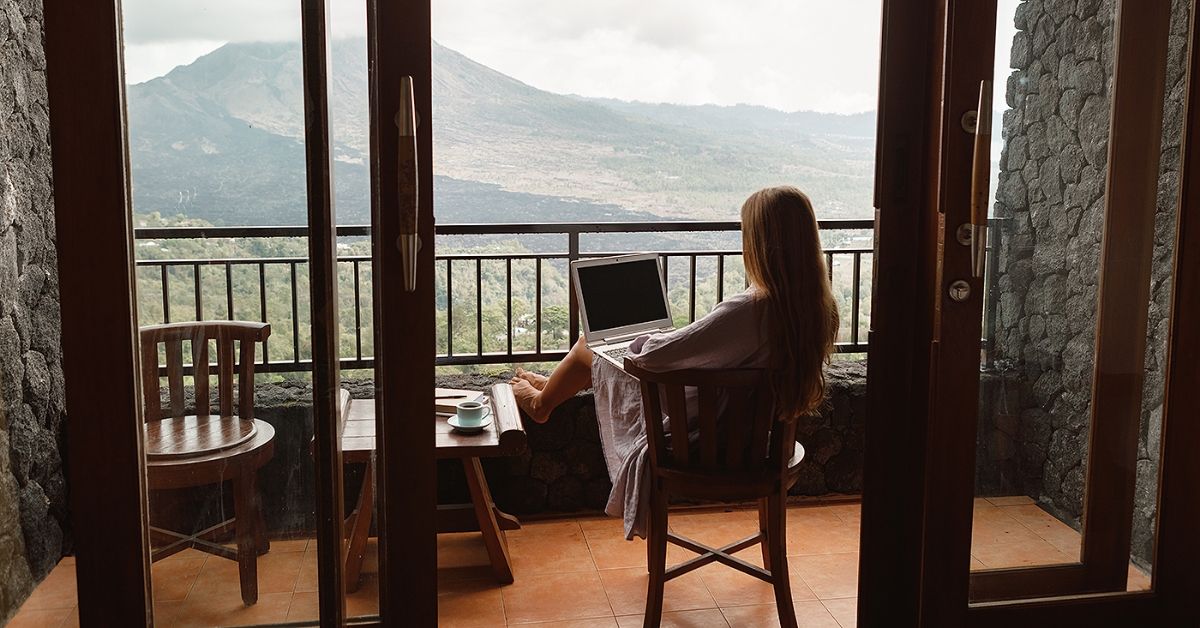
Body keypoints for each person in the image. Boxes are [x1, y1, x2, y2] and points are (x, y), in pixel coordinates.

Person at [510, 185, 840, 539]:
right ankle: (550, 386)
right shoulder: (818, 309)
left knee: (591, 345)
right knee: (602, 352)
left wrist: (654, 338)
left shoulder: (750, 310)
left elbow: (651, 356)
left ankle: (541, 403)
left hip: (709, 444)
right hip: (763, 444)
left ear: (760, 243)